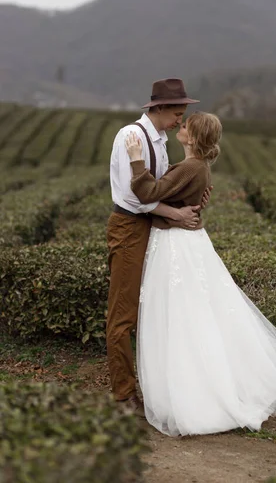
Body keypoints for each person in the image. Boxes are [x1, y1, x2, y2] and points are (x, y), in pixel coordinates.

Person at [125, 112, 276, 437]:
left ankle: (195, 397)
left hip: (177, 248)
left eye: (185, 126)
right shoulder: (198, 167)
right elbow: (181, 200)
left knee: (182, 316)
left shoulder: (191, 167)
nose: (179, 127)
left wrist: (136, 160)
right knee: (193, 311)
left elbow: (147, 192)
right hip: (185, 241)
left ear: (194, 137)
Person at [106, 78, 211, 415]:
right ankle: (124, 395)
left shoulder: (161, 140)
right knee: (123, 313)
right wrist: (175, 214)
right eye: (178, 112)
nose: (181, 119)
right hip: (130, 227)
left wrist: (191, 202)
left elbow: (161, 187)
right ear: (159, 108)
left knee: (155, 308)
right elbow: (132, 195)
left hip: (152, 227)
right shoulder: (131, 137)